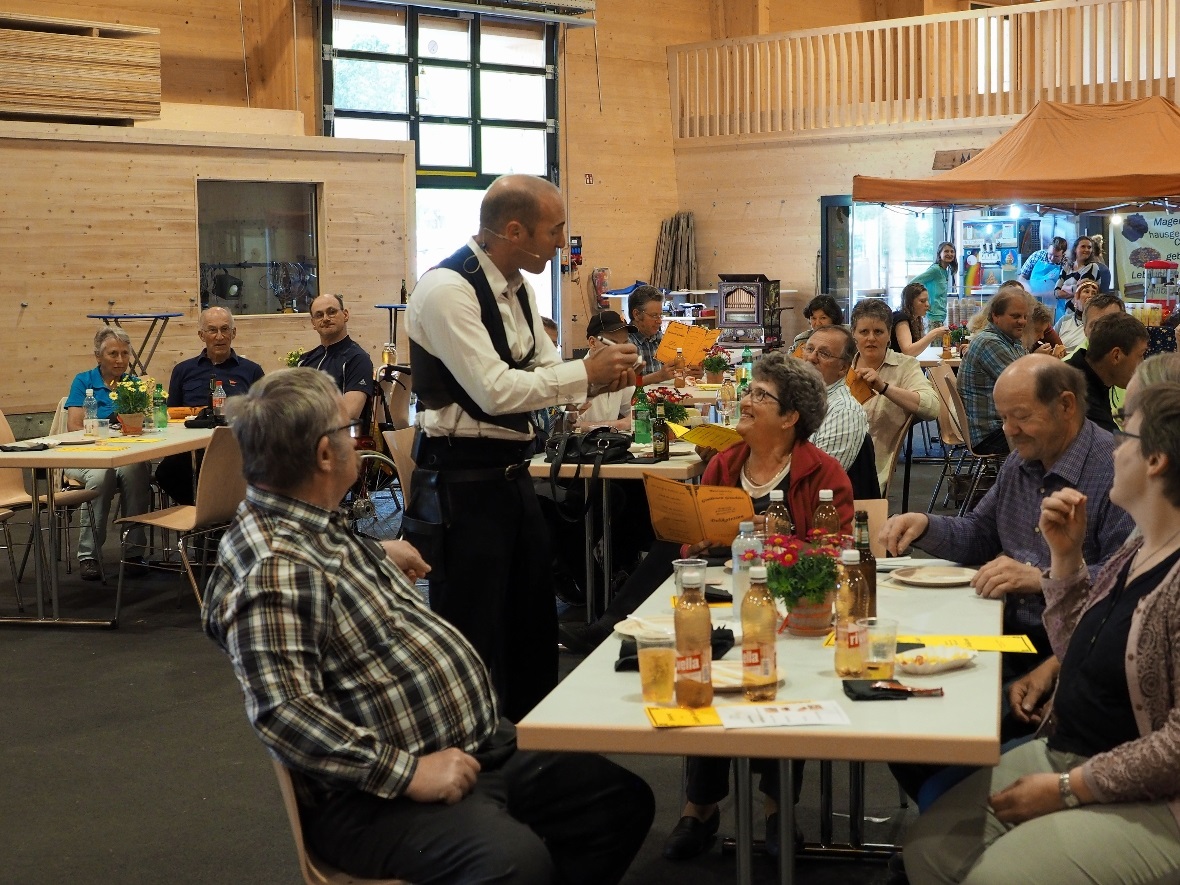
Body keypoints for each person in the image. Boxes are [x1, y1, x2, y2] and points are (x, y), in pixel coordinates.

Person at [202, 368, 654, 885]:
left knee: (617, 804)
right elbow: (284, 713)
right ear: (325, 455)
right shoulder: (275, 571)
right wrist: (408, 773)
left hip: (472, 744)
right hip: (377, 793)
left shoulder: (301, 520)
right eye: (347, 431)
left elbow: (307, 572)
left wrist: (372, 553)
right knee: (513, 866)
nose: (355, 441)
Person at [901, 380, 1180, 885]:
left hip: (1153, 793)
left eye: (1127, 435)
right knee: (928, 852)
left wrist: (1070, 787)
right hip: (1076, 748)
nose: (1115, 446)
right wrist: (1066, 561)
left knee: (994, 876)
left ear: (1156, 460)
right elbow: (1080, 650)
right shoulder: (1138, 548)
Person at [405, 174, 638, 721]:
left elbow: (544, 371)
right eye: (554, 231)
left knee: (532, 627)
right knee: (473, 635)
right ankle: (470, 750)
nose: (561, 243)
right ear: (514, 231)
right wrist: (584, 373)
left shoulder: (520, 290)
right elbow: (494, 390)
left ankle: (533, 745)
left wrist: (602, 378)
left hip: (512, 473)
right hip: (459, 478)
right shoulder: (446, 290)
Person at [559, 354, 854, 654]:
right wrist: (692, 546)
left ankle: (608, 629)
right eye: (749, 391)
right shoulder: (725, 463)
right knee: (669, 544)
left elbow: (838, 554)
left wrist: (782, 539)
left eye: (761, 395)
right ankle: (611, 626)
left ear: (790, 417)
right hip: (722, 578)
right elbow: (694, 538)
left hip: (789, 587)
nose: (746, 402)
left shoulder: (823, 472)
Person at [882, 355, 1134, 673]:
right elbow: (979, 534)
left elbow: (1130, 579)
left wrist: (1043, 580)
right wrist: (924, 525)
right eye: (1003, 417)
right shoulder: (1021, 462)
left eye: (1021, 417)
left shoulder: (1116, 473)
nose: (1009, 430)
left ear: (1066, 405)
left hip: (1076, 649)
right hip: (1008, 633)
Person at [64, 327, 152, 581]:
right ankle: (88, 555)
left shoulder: (133, 384)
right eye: (113, 354)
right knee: (101, 476)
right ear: (98, 356)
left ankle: (134, 552)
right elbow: (75, 426)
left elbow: (144, 423)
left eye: (125, 354)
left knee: (137, 470)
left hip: (122, 454)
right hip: (86, 456)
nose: (120, 360)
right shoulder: (83, 381)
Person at [156, 306, 264, 504]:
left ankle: (220, 512)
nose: (219, 336)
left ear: (233, 333)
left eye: (225, 329)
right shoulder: (183, 370)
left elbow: (262, 416)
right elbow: (171, 414)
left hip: (234, 449)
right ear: (201, 335)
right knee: (165, 472)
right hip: (189, 449)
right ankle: (200, 512)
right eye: (212, 330)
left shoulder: (252, 371)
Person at [847, 298, 939, 492]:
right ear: (853, 334)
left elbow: (932, 408)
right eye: (864, 332)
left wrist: (884, 388)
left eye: (878, 331)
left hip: (867, 474)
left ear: (889, 334)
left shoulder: (905, 366)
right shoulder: (841, 366)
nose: (871, 338)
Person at [956, 283, 1030, 455]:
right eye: (1015, 316)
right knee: (1059, 437)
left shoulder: (1011, 341)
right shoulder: (990, 343)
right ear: (996, 316)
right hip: (990, 434)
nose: (1023, 321)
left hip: (998, 427)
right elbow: (1026, 387)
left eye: (1025, 316)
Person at [799, 324, 869, 470]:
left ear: (843, 368)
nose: (811, 358)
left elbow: (821, 476)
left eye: (824, 354)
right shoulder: (794, 396)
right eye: (809, 349)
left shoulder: (844, 412)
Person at [1063, 312, 1148, 433]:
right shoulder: (1078, 392)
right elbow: (1113, 442)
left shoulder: (1090, 376)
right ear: (1116, 356)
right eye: (1140, 355)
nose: (1142, 364)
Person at [298, 293, 374, 421]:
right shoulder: (305, 360)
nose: (326, 318)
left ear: (345, 315)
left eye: (331, 312)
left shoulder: (358, 359)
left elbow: (350, 413)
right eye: (319, 315)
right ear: (313, 323)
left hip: (340, 433)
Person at [578, 311, 635, 431]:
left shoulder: (620, 372)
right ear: (592, 343)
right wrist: (619, 425)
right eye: (612, 343)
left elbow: (639, 410)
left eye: (625, 343)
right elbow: (568, 425)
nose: (620, 350)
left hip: (611, 441)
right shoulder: (575, 377)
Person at [1053, 234, 1111, 322]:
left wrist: (1065, 288)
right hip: (1068, 315)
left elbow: (1082, 291)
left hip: (1084, 316)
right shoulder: (1067, 267)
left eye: (1089, 247)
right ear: (1075, 249)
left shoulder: (1092, 267)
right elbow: (1056, 293)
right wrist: (1074, 289)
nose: (1086, 250)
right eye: (1083, 246)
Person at [891, 282, 949, 357]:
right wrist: (934, 333)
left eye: (927, 300)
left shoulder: (915, 320)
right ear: (910, 302)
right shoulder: (901, 318)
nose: (927, 304)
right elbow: (908, 352)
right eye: (922, 301)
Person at [908, 241, 957, 325]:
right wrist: (920, 302)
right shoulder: (935, 270)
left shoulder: (944, 271)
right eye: (946, 251)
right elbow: (912, 283)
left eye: (952, 251)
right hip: (932, 317)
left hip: (940, 316)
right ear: (939, 254)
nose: (950, 254)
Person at [1053, 277, 1101, 354]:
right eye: (1086, 291)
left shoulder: (1100, 324)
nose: (1090, 295)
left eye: (1094, 293)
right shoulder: (1064, 320)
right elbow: (1049, 342)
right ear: (1076, 298)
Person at [1017, 235, 1068, 299]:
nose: (1052, 258)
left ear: (1063, 254)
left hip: (1053, 300)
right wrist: (1028, 290)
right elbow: (1022, 277)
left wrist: (1040, 295)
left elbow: (1065, 290)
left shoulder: (1067, 265)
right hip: (1031, 296)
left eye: (1056, 256)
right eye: (1050, 254)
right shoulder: (1037, 256)